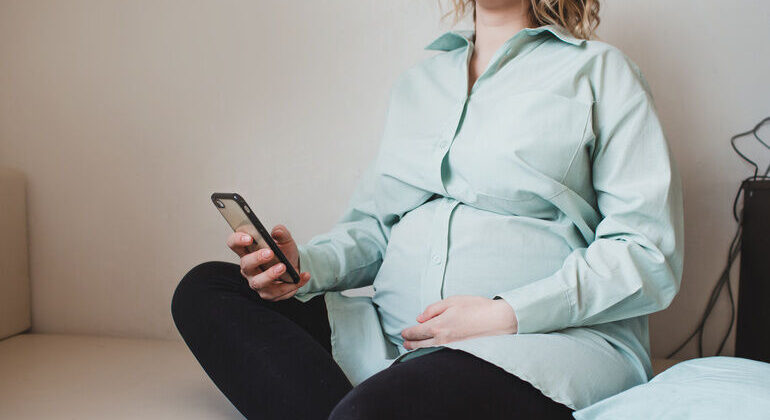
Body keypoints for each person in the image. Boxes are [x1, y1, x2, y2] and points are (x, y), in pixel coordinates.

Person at [171, 0, 684, 418]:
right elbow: (374, 228)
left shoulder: (602, 72)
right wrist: (303, 266)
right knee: (206, 288)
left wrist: (505, 314)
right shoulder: (419, 83)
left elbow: (647, 253)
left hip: (538, 345)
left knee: (381, 408)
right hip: (389, 339)